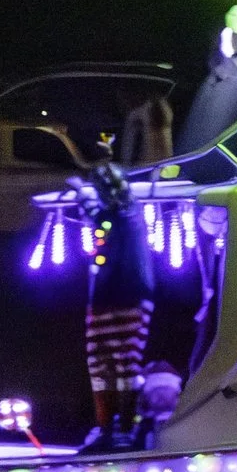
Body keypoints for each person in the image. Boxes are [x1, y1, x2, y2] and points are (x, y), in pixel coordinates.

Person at [80, 163, 157, 453]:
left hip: (126, 294)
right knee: (102, 363)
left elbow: (111, 216)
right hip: (109, 295)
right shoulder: (114, 215)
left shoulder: (126, 213)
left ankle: (123, 427)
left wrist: (88, 198)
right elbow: (104, 219)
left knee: (123, 363)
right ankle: (108, 427)